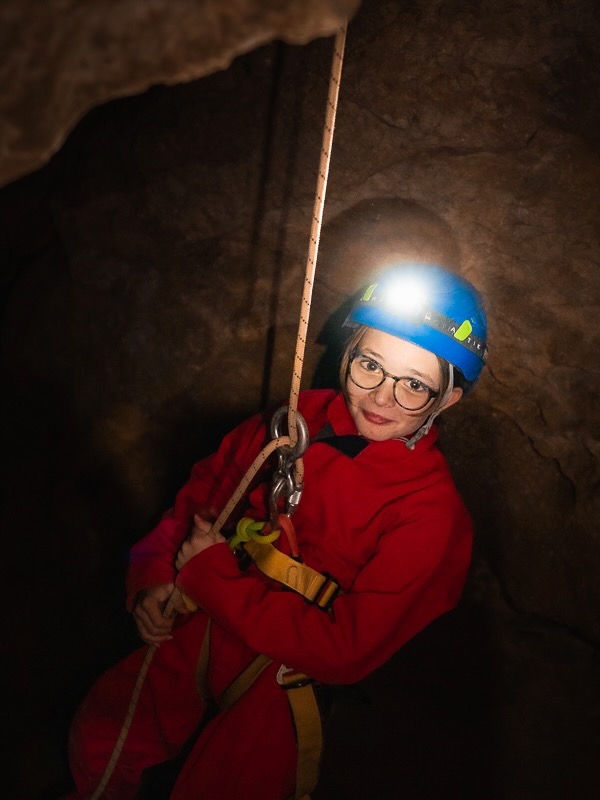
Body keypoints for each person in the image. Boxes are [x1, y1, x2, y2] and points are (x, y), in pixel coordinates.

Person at [66, 261, 487, 800]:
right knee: (101, 741)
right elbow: (205, 493)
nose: (382, 397)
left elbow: (346, 648)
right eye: (370, 366)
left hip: (287, 673)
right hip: (203, 617)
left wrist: (208, 577)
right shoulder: (294, 423)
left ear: (448, 398)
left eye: (414, 385)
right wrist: (152, 577)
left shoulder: (431, 513)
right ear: (349, 351)